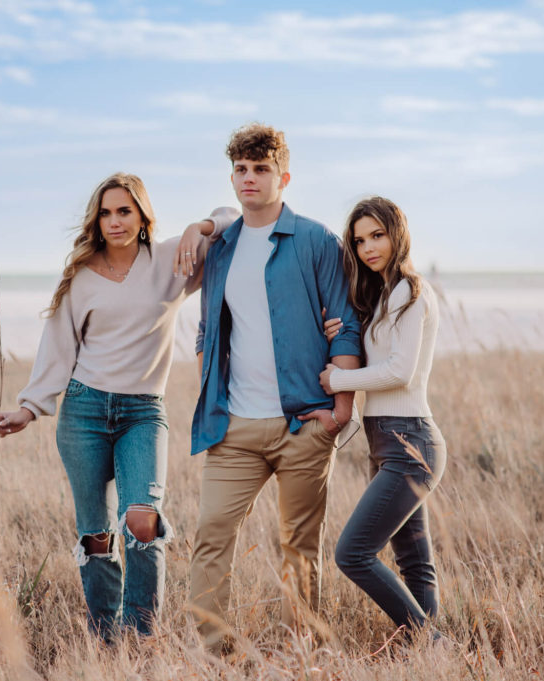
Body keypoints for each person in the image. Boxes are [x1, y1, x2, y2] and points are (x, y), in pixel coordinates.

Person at [0, 172, 236, 639]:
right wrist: (29, 407)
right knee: (97, 535)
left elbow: (233, 221)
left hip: (144, 412)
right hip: (83, 412)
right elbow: (58, 347)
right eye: (105, 212)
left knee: (142, 521)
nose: (115, 220)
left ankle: (141, 634)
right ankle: (105, 637)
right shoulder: (81, 276)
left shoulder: (169, 260)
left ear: (142, 215)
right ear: (95, 220)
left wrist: (198, 228)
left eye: (125, 210)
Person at [188, 123, 362, 653]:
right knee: (211, 537)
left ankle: (302, 651)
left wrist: (341, 412)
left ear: (282, 177)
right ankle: (216, 654)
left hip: (303, 424)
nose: (249, 178)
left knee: (298, 548)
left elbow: (346, 322)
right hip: (234, 427)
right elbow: (205, 331)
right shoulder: (220, 248)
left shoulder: (314, 240)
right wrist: (209, 391)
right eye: (241, 169)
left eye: (260, 169)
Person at [319, 196, 446, 642]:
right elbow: (380, 352)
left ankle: (429, 639)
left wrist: (339, 379)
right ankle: (432, 657)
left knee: (352, 553)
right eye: (359, 240)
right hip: (386, 443)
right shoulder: (382, 296)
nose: (369, 247)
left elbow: (400, 371)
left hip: (411, 443)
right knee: (414, 562)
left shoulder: (409, 290)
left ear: (397, 234)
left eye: (378, 235)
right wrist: (342, 330)